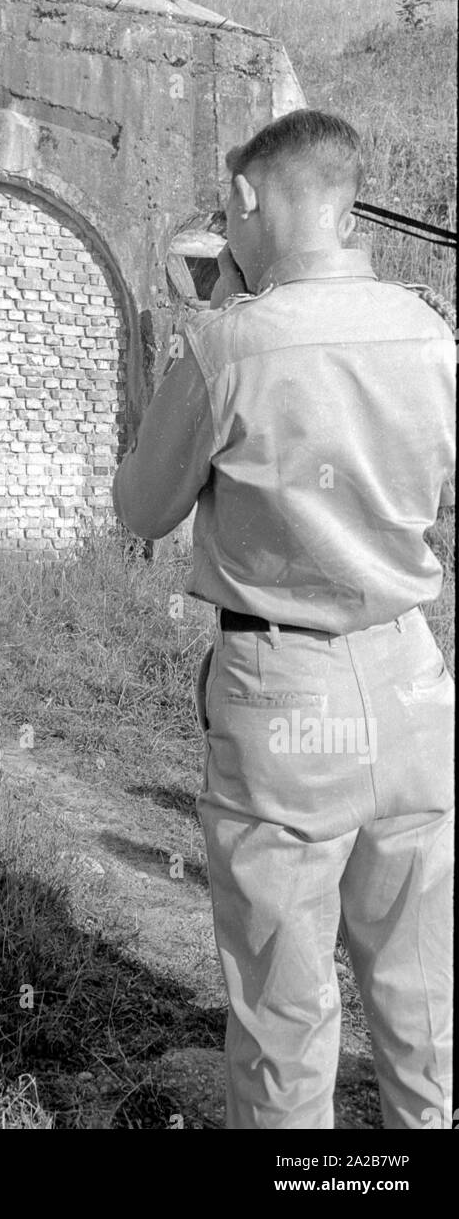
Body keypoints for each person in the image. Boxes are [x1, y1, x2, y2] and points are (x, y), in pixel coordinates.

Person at [113, 109, 455, 1130]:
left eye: (228, 208)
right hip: (410, 677)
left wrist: (213, 318)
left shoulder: (227, 344)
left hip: (283, 694)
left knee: (284, 1007)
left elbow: (139, 507)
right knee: (417, 988)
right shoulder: (430, 330)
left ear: (252, 198)